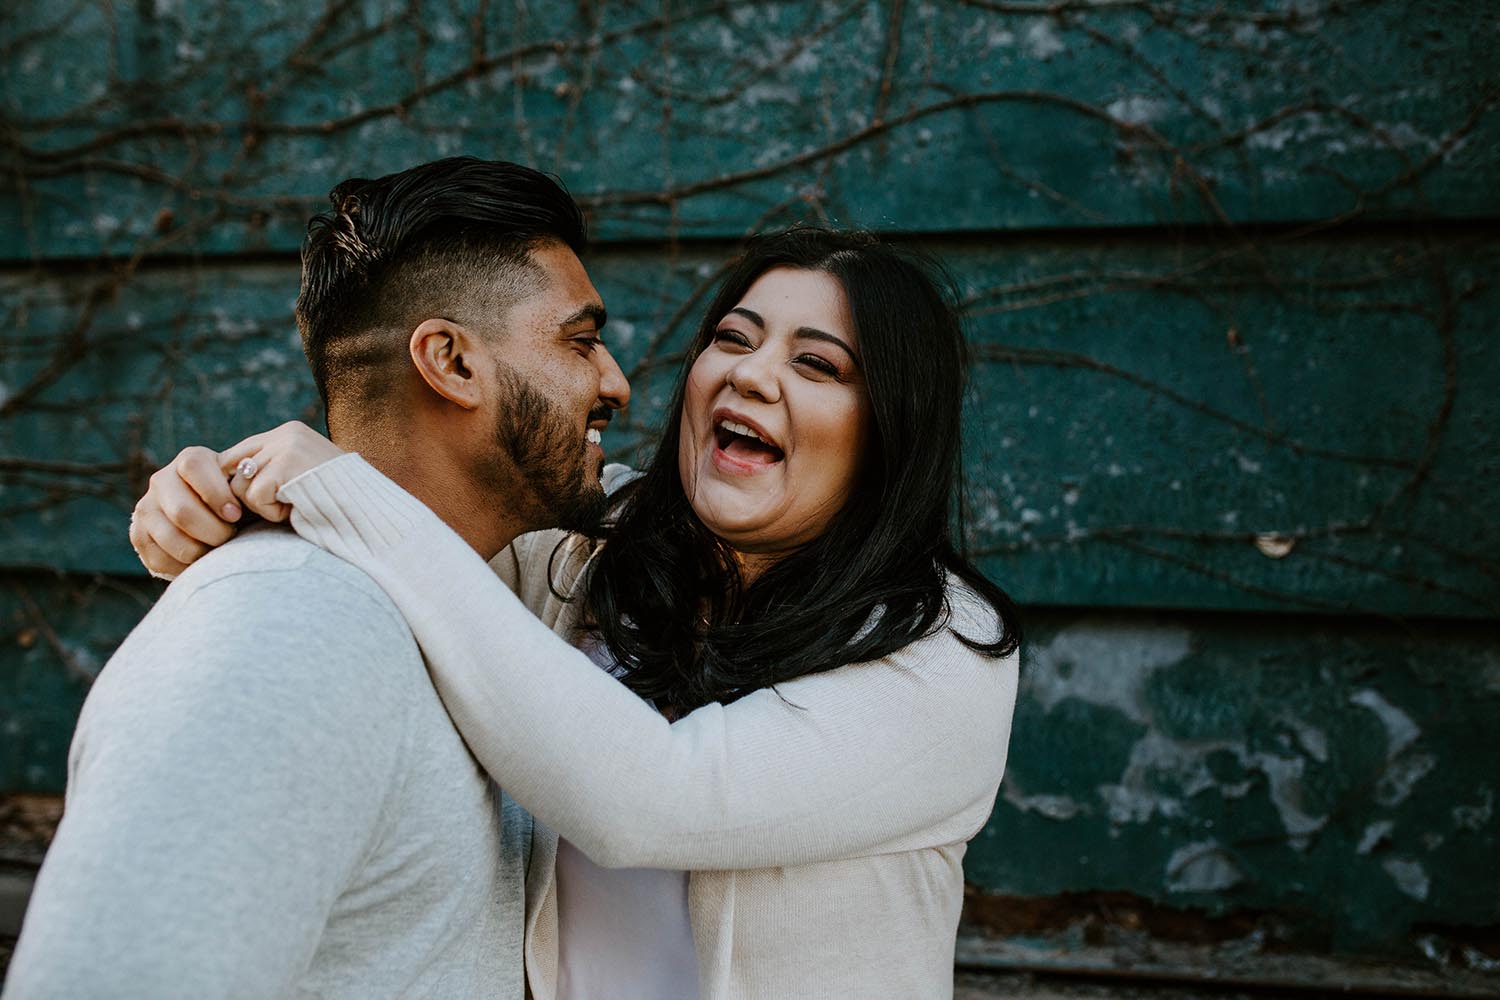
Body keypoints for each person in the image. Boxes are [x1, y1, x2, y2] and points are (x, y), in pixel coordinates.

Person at [129, 228, 1023, 999]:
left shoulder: (943, 647)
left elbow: (653, 800)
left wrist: (341, 491)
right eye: (731, 339)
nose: (749, 375)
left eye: (817, 363)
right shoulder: (584, 547)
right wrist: (204, 504)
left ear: (890, 429)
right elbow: (411, 540)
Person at [3, 157, 630, 999]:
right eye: (580, 341)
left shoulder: (472, 603)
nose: (614, 383)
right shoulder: (288, 633)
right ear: (450, 362)